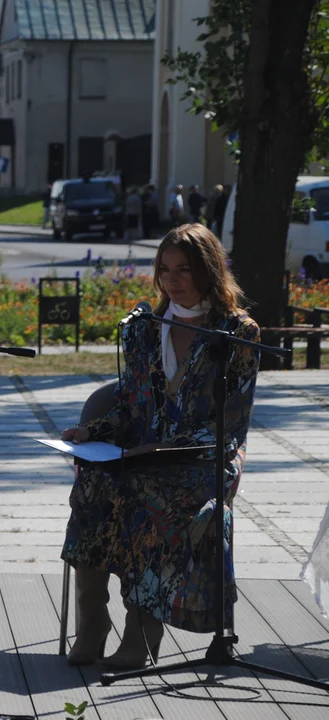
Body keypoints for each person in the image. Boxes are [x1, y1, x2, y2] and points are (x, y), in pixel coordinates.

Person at [60, 223, 260, 669]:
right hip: (139, 453)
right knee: (92, 487)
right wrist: (91, 432)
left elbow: (231, 424)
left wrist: (166, 450)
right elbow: (130, 410)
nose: (171, 279)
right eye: (164, 269)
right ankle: (92, 623)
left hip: (204, 458)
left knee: (153, 496)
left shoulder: (237, 332)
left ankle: (140, 632)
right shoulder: (143, 329)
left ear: (208, 271)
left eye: (184, 270)